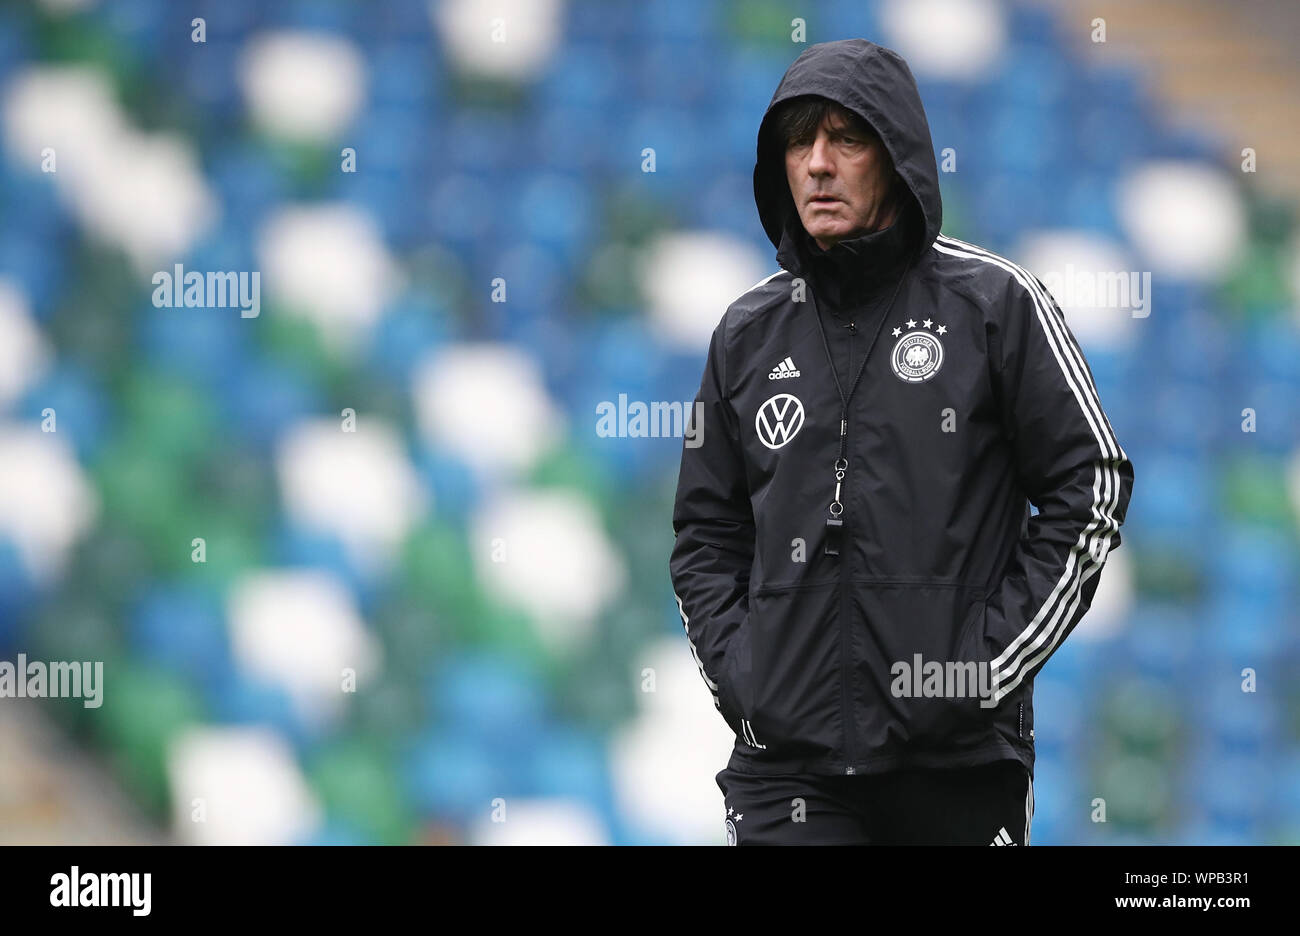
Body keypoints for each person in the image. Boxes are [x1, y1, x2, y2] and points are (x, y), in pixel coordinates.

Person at [668, 38, 1135, 845]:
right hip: (791, 773)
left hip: (955, 766)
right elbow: (704, 535)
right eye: (798, 142)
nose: (817, 164)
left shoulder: (996, 305)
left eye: (846, 139)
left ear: (897, 157)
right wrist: (750, 679)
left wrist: (984, 667)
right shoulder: (746, 334)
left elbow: (1091, 484)